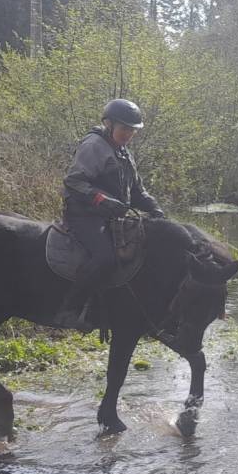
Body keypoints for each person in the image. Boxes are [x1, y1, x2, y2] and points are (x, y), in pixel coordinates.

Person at [56, 98, 165, 326]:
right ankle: (70, 309)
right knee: (105, 258)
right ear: (109, 124)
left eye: (132, 130)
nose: (128, 134)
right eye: (124, 128)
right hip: (83, 215)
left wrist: (154, 208)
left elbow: (137, 191)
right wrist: (103, 200)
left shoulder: (124, 152)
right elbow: (74, 181)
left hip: (111, 216)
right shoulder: (94, 145)